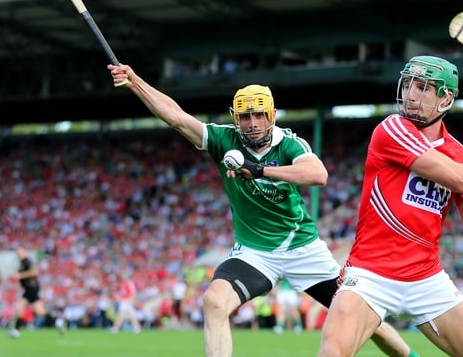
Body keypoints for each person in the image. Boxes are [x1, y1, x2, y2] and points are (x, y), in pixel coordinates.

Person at [108, 64, 419, 357]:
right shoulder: (223, 139)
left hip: (303, 250)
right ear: (235, 118)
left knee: (364, 317)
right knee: (214, 302)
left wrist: (259, 170)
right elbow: (176, 117)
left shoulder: (289, 145)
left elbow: (318, 175)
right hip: (254, 253)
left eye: (258, 115)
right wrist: (135, 82)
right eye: (244, 117)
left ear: (272, 116)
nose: (252, 123)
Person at [314, 55, 463, 357]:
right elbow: (459, 179)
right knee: (333, 353)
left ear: (446, 98)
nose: (411, 95)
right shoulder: (392, 129)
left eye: (424, 88)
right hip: (371, 275)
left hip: (426, 280)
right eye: (408, 85)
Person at [8, 246, 63, 337]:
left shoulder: (27, 261)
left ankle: (16, 331)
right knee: (38, 311)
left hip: (31, 289)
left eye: (20, 251)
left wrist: (20, 275)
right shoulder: (22, 263)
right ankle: (57, 321)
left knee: (22, 309)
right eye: (17, 252)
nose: (18, 253)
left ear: (24, 252)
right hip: (29, 289)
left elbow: (33, 272)